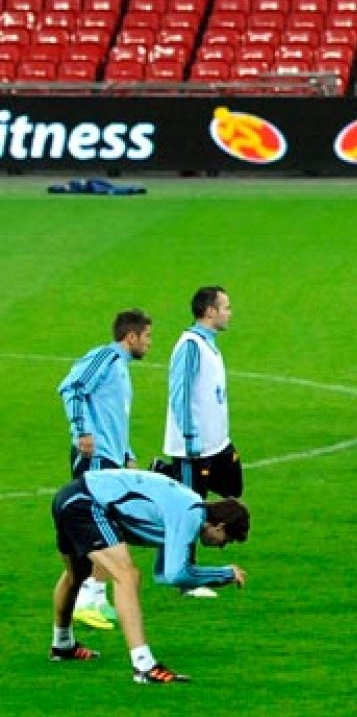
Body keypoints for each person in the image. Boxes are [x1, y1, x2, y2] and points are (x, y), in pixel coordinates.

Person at [48, 468, 249, 684]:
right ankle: (143, 665)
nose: (222, 546)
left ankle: (63, 644)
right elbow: (177, 575)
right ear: (220, 526)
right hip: (87, 502)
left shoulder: (186, 508)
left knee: (77, 574)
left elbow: (162, 574)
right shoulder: (191, 515)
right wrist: (224, 573)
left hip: (70, 496)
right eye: (226, 539)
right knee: (127, 576)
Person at [57, 309, 154, 629]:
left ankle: (96, 597)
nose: (149, 343)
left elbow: (113, 417)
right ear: (131, 336)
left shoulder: (122, 369)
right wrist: (81, 430)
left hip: (112, 458)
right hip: (95, 458)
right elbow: (72, 388)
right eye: (147, 336)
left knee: (113, 525)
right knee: (103, 526)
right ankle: (88, 596)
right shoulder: (106, 357)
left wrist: (127, 454)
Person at [162, 286, 240, 502]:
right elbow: (181, 394)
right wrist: (190, 438)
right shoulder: (191, 346)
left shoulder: (208, 343)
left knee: (233, 488)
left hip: (217, 442)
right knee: (191, 506)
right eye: (226, 307)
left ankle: (165, 473)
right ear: (209, 311)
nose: (229, 313)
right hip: (194, 448)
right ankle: (165, 474)